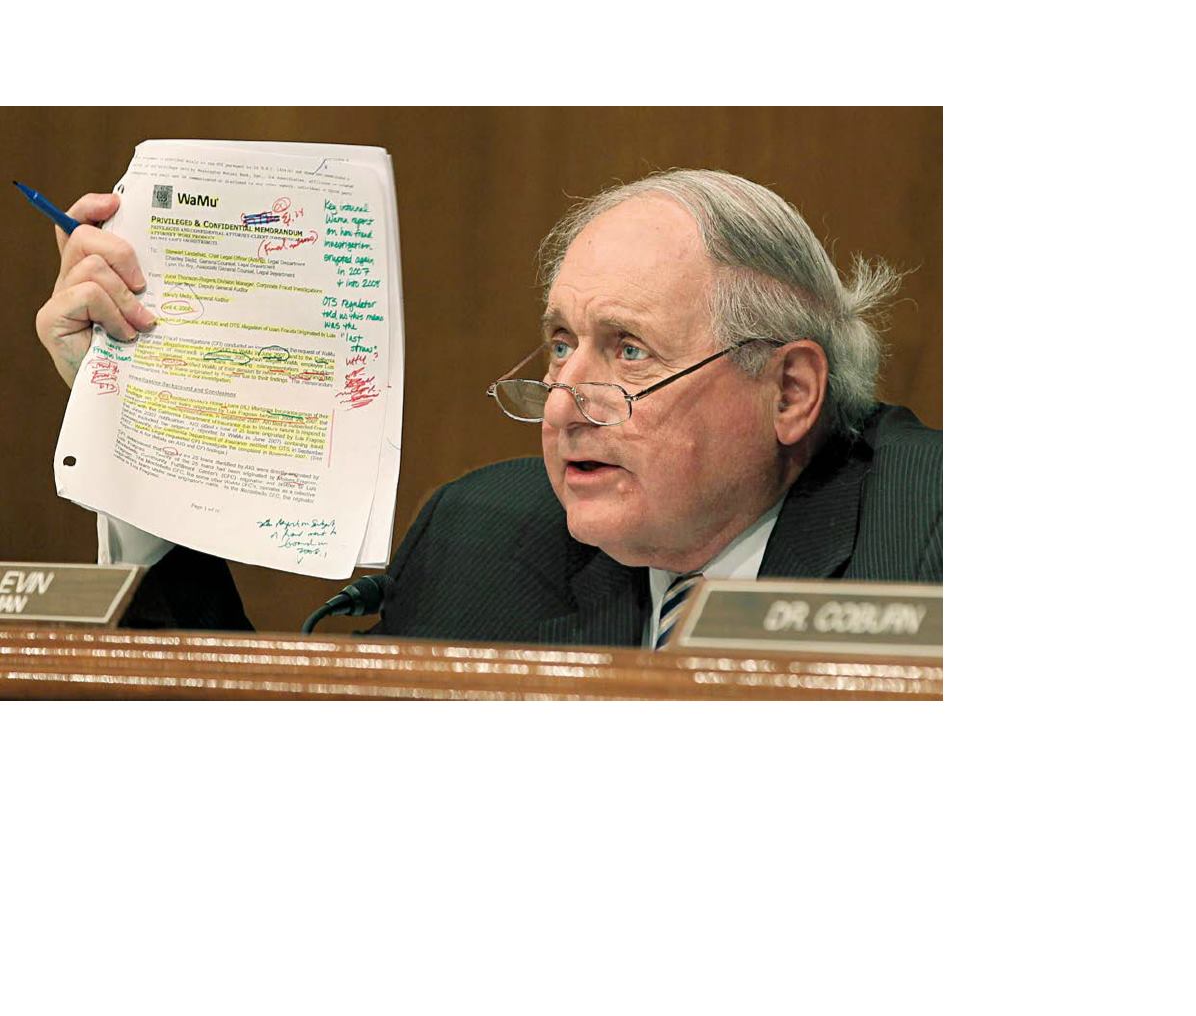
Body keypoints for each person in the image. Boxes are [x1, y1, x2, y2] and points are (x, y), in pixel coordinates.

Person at [36, 170, 942, 645]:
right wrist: (136, 413)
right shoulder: (482, 537)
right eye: (561, 343)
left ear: (790, 391)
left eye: (627, 349)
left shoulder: (934, 538)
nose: (563, 401)